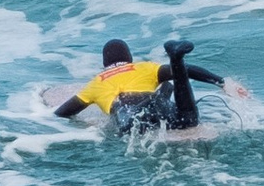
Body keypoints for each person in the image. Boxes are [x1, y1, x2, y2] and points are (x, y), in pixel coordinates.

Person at [54, 37, 226, 138]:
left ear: (105, 64)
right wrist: (221, 82)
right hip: (158, 102)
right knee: (188, 118)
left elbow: (63, 112)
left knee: (135, 128)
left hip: (131, 112)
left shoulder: (96, 83)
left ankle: (172, 68)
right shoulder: (144, 67)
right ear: (129, 58)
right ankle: (176, 58)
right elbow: (190, 71)